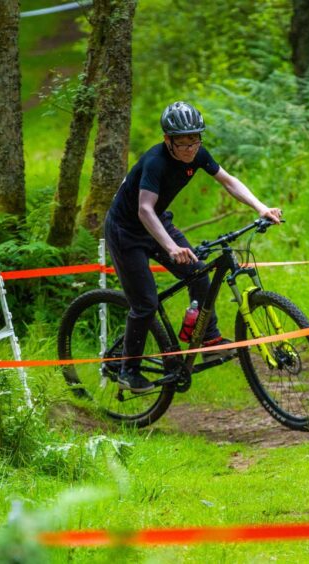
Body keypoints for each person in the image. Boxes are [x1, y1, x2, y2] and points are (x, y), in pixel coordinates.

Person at [104, 101, 282, 393]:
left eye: (194, 140)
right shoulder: (155, 162)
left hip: (158, 222)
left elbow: (228, 181)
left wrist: (261, 207)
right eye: (182, 143)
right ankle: (128, 370)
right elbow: (144, 210)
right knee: (145, 303)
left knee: (199, 275)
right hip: (127, 232)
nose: (189, 149)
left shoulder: (199, 153)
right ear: (168, 140)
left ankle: (209, 340)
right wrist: (172, 247)